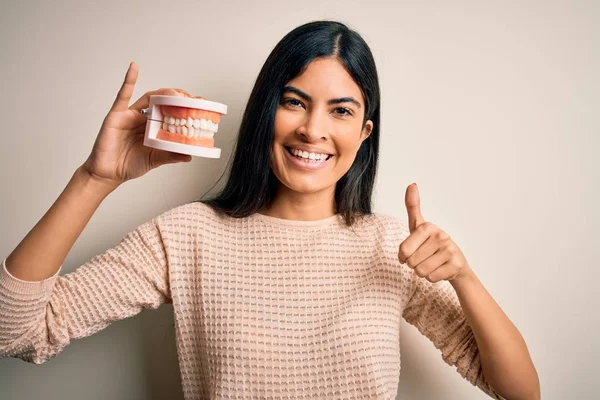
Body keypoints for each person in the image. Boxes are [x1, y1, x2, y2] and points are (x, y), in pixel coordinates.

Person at [0, 20, 539, 400]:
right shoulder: (189, 236)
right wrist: (94, 179)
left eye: (341, 110)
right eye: (294, 101)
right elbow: (17, 333)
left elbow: (518, 391)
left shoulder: (389, 247)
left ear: (363, 133)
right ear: (266, 112)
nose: (313, 129)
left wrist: (464, 277)